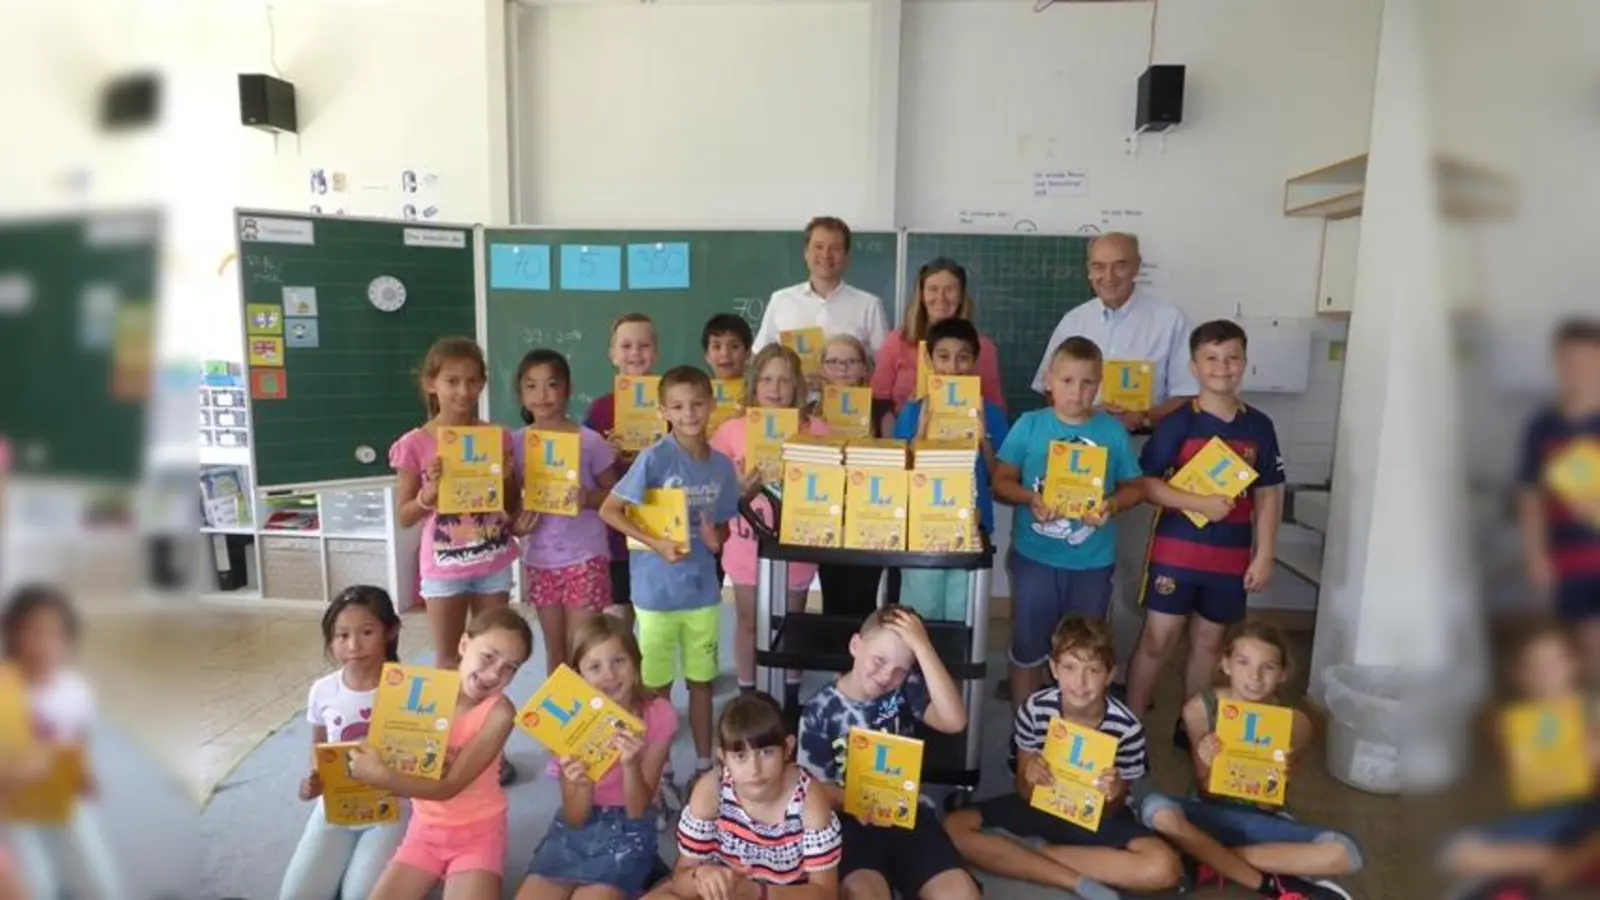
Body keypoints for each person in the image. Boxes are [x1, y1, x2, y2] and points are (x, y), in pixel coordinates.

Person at [1028, 233, 1197, 685]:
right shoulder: (1074, 319)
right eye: (1098, 266)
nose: (1108, 275)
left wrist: (1144, 415)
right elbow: (1047, 386)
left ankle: (1112, 677)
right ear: (1088, 270)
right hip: (1073, 452)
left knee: (1125, 566)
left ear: (1137, 265)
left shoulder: (1168, 319)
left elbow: (1187, 393)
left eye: (1119, 265)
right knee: (1069, 553)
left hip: (1138, 450)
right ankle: (1062, 673)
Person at [1123, 320, 1286, 742]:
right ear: (1194, 367)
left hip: (1230, 559)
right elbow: (1146, 484)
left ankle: (1191, 724)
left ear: (1245, 364)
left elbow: (1268, 492)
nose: (1222, 367)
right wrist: (1199, 504)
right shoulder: (1178, 422)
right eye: (1211, 358)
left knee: (1210, 646)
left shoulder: (1259, 427)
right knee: (1157, 641)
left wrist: (1265, 552)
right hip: (1175, 555)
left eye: (1232, 357)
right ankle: (1131, 725)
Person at [943, 615, 1181, 899]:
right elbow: (1023, 789)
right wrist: (1029, 777)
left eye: (1092, 670)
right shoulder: (1035, 708)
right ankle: (1075, 880)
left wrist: (1114, 793)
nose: (1080, 682)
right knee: (953, 828)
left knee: (1164, 866)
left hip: (1095, 818)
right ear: (1053, 669)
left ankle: (1023, 855)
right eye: (1069, 667)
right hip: (1041, 805)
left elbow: (1116, 807)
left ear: (1110, 674)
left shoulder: (1127, 727)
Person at [1138, 622, 1360, 899]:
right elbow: (1207, 789)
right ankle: (1274, 872)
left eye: (1268, 667)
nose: (1254, 676)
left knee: (1345, 852)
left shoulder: (1295, 723)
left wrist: (1280, 771)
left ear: (1282, 674)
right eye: (1243, 663)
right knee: (1155, 809)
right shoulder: (1199, 709)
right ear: (1226, 665)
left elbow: (1269, 801)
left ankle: (1212, 861)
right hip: (1210, 812)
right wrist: (1207, 759)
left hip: (1264, 816)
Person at [390, 336, 526, 785]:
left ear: (484, 383)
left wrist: (506, 477)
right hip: (444, 568)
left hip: (492, 561)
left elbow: (509, 504)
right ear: (431, 384)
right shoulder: (415, 444)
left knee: (496, 661)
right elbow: (406, 514)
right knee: (449, 661)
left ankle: (491, 751)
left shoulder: (496, 436)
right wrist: (429, 494)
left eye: (472, 381)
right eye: (451, 381)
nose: (463, 391)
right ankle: (442, 748)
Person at [600, 366, 741, 794]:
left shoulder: (721, 467)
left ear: (712, 404)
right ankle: (658, 773)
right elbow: (610, 510)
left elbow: (722, 527)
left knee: (702, 683)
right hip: (657, 596)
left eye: (697, 403)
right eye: (678, 406)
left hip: (702, 593)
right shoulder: (654, 459)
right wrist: (654, 542)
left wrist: (719, 540)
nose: (689, 413)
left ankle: (703, 766)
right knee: (656, 689)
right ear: (663, 411)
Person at [993, 337, 1142, 707]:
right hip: (1036, 559)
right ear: (1049, 381)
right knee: (1028, 645)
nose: (1077, 392)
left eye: (1088, 382)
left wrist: (1112, 504)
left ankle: (1075, 733)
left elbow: (1135, 487)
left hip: (1092, 563)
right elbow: (1001, 480)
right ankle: (1025, 732)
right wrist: (1031, 498)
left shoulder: (1111, 432)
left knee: (1086, 654)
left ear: (1099, 384)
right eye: (1067, 381)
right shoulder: (1029, 425)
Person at [349, 607, 533, 900]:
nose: (495, 673)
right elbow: (389, 747)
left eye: (510, 667)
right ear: (463, 645)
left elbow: (448, 787)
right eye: (488, 656)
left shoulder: (500, 712)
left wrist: (383, 776)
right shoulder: (423, 689)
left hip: (478, 835)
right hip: (424, 831)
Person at [796, 607, 979, 900]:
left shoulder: (904, 690)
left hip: (906, 813)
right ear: (856, 645)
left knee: (962, 894)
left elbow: (955, 720)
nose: (885, 676)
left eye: (899, 670)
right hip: (850, 821)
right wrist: (854, 802)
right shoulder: (819, 711)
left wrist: (923, 647)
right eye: (879, 661)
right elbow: (812, 792)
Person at [516, 616, 678, 900]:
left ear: (636, 666)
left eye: (619, 661)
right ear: (578, 677)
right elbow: (575, 816)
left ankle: (643, 868)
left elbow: (639, 809)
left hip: (629, 827)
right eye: (595, 667)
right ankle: (647, 874)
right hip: (578, 827)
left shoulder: (658, 713)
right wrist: (580, 781)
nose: (609, 676)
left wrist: (630, 764)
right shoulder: (565, 723)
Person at [1438, 623, 1600, 899]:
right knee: (1455, 853)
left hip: (1587, 813)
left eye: (1553, 663)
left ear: (1572, 664)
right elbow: (1506, 778)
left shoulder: (1591, 711)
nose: (1545, 675)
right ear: (1518, 674)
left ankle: (1559, 864)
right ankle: (1547, 863)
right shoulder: (1509, 720)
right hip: (1543, 819)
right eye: (1533, 667)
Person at [646, 692, 841, 900]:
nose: (754, 769)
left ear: (787, 748)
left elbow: (826, 894)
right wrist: (701, 876)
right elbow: (680, 881)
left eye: (766, 753)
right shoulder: (711, 792)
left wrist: (758, 893)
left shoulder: (809, 801)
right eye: (740, 756)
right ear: (723, 758)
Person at [711, 345, 822, 706]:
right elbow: (711, 484)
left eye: (785, 381)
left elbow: (830, 482)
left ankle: (790, 685)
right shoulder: (731, 430)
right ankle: (747, 688)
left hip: (797, 544)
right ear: (754, 385)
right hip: (745, 543)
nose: (775, 389)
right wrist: (736, 488)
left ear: (797, 387)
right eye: (768, 380)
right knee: (748, 618)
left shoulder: (815, 430)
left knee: (792, 618)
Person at [280, 586, 408, 900]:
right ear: (331, 640)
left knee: (360, 895)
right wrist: (311, 782)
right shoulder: (322, 691)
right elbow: (319, 749)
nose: (354, 645)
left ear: (390, 631)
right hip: (336, 808)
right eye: (342, 636)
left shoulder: (411, 688)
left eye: (367, 632)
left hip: (391, 810)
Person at [0, 585, 123, 900]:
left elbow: (78, 736)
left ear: (69, 643)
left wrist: (85, 773)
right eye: (31, 633)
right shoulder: (7, 691)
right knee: (35, 881)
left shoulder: (74, 689)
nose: (42, 645)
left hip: (64, 798)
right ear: (11, 637)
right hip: (17, 807)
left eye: (53, 635)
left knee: (98, 873)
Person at [891, 318, 1009, 622]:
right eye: (943, 357)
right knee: (920, 611)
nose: (953, 367)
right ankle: (918, 669)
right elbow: (897, 476)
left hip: (972, 524)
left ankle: (956, 672)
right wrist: (918, 437)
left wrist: (984, 441)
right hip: (922, 526)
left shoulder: (991, 413)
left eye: (963, 357)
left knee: (963, 612)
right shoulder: (914, 411)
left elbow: (1001, 479)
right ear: (929, 361)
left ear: (975, 361)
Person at [512, 348, 620, 677]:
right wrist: (517, 523)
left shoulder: (590, 442)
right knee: (556, 652)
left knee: (583, 650)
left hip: (585, 558)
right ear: (521, 393)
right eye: (531, 386)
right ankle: (559, 726)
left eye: (551, 384)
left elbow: (617, 498)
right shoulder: (514, 443)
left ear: (568, 388)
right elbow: (510, 501)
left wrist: (587, 497)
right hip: (540, 561)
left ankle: (589, 725)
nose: (542, 395)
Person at [1519, 318, 1600, 684]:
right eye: (1568, 360)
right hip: (1567, 559)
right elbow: (1530, 496)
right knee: (1578, 651)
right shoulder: (1542, 427)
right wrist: (1536, 555)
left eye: (1587, 360)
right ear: (1556, 363)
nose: (1577, 370)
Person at [586, 313, 662, 631]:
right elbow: (584, 469)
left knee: (655, 617)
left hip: (658, 522)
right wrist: (606, 454)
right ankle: (621, 676)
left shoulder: (670, 403)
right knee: (619, 613)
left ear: (655, 351)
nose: (635, 353)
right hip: (616, 532)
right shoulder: (600, 409)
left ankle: (652, 679)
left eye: (643, 345)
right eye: (626, 345)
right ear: (612, 353)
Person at [872, 257, 1004, 422]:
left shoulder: (983, 347)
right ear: (921, 295)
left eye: (949, 289)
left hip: (964, 437)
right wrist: (895, 441)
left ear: (961, 295)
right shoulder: (896, 342)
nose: (941, 298)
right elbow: (881, 400)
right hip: (904, 434)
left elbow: (994, 407)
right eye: (933, 289)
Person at [753, 216, 889, 368]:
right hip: (793, 392)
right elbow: (760, 358)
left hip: (847, 392)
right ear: (805, 252)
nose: (826, 255)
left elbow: (883, 366)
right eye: (818, 247)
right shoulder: (781, 300)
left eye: (835, 248)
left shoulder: (869, 305)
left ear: (846, 256)